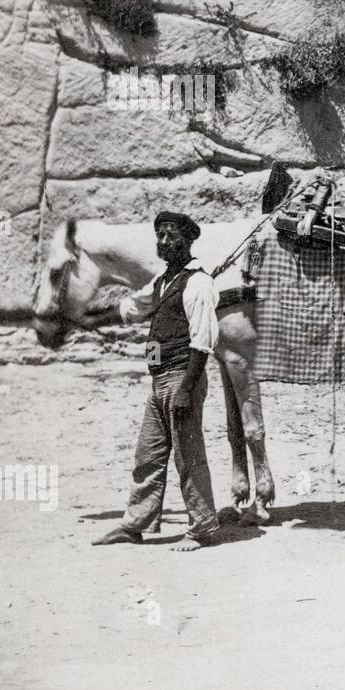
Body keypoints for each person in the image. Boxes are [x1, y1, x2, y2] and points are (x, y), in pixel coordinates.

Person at [88, 211, 221, 551]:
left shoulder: (199, 283)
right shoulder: (164, 281)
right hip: (159, 379)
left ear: (187, 241)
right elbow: (135, 307)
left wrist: (187, 390)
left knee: (188, 455)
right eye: (160, 236)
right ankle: (135, 524)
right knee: (147, 455)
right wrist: (89, 319)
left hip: (182, 378)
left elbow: (203, 341)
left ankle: (202, 527)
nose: (164, 242)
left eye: (171, 236)